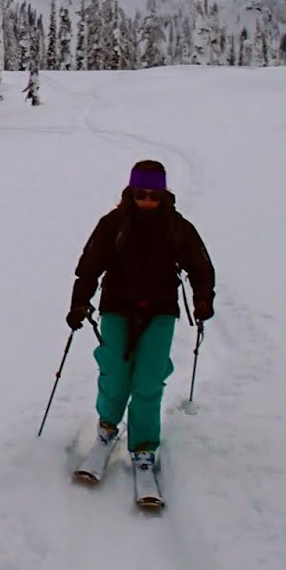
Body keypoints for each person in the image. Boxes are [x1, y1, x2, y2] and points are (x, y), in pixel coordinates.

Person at [67, 159, 215, 474]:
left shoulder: (178, 227)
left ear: (163, 195)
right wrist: (80, 302)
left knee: (149, 380)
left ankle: (144, 448)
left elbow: (201, 267)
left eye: (154, 195)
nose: (147, 200)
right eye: (141, 194)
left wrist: (203, 300)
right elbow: (90, 266)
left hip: (160, 311)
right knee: (115, 375)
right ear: (131, 192)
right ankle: (107, 431)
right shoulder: (112, 223)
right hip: (117, 307)